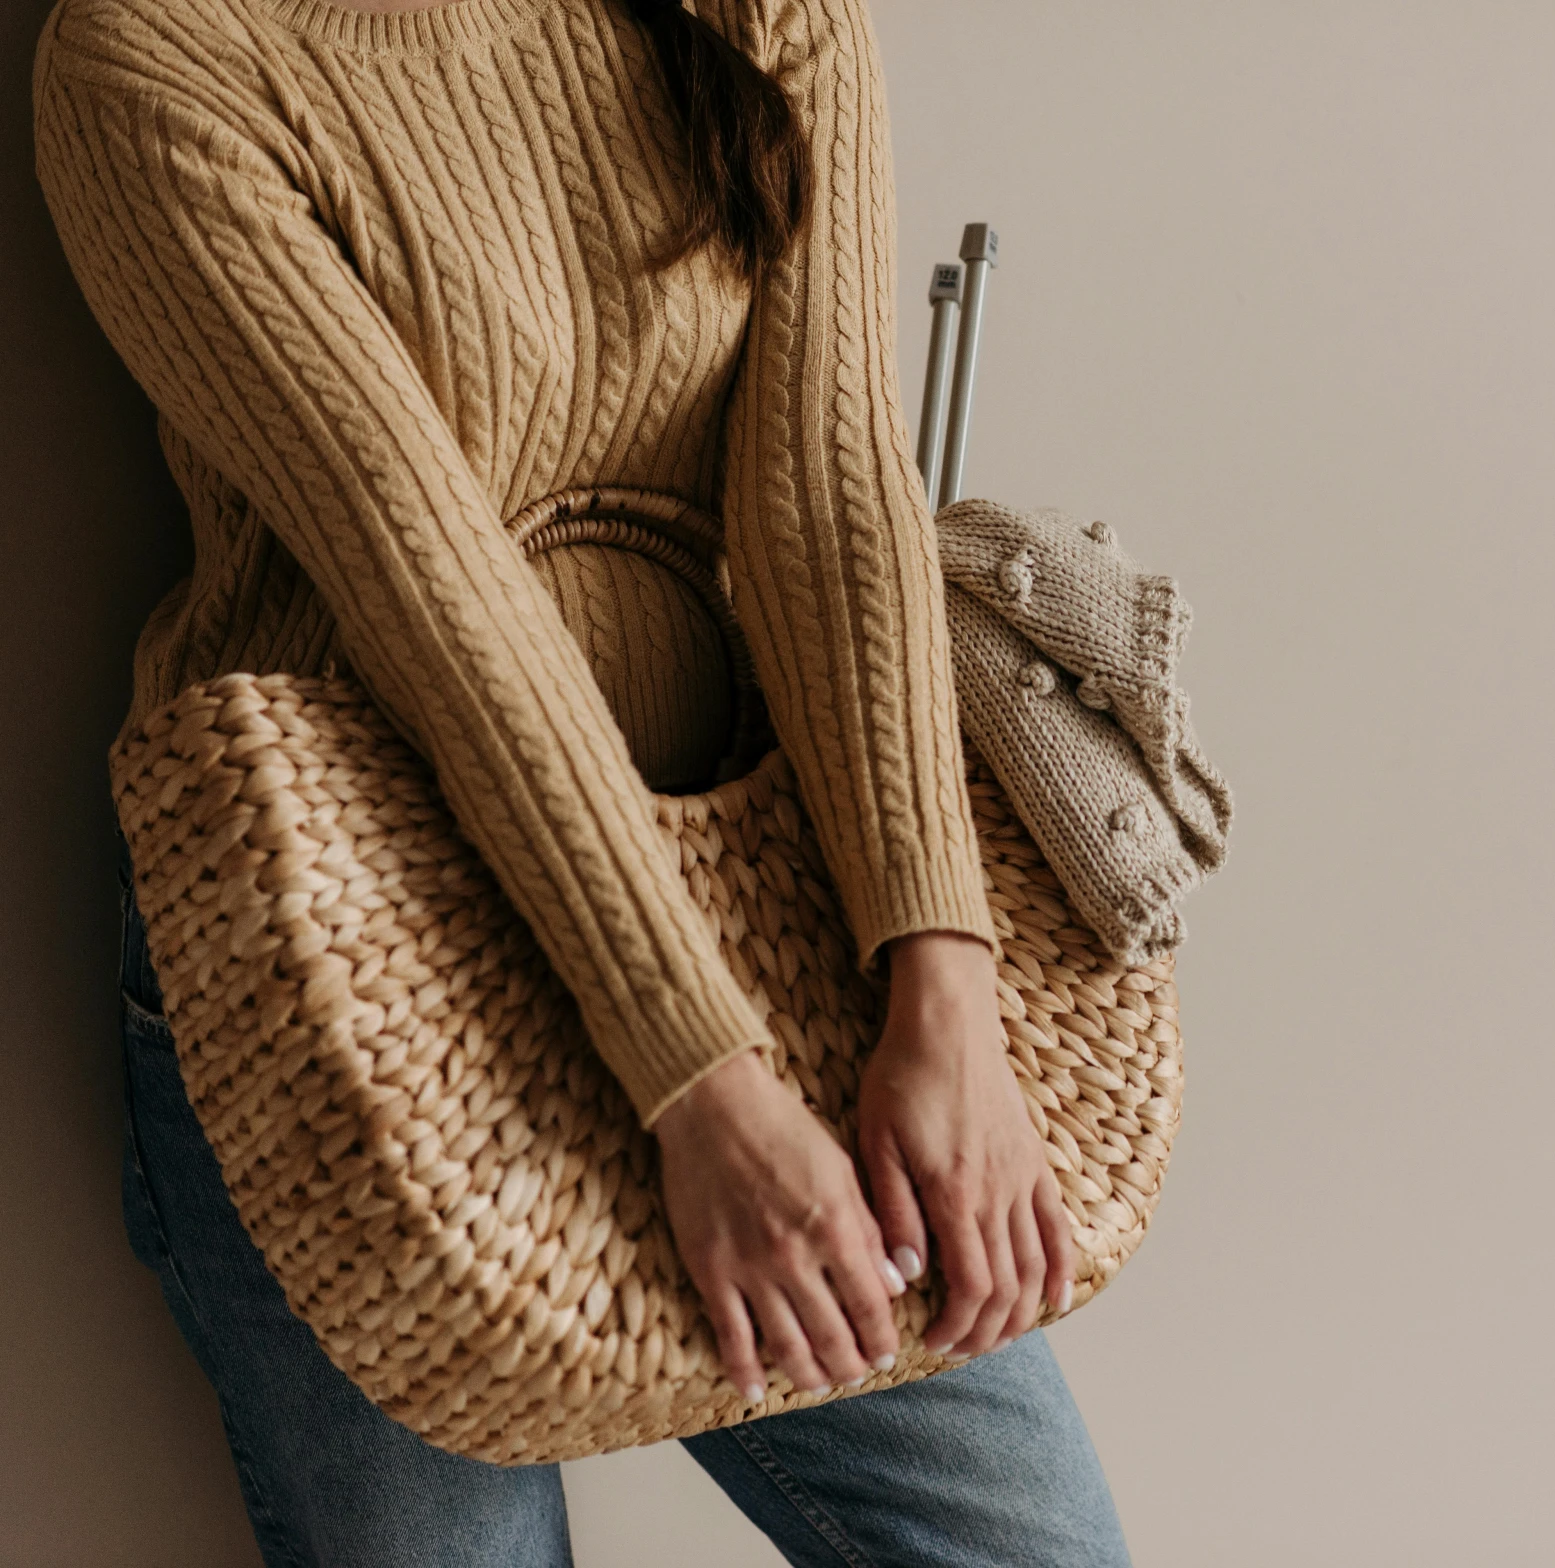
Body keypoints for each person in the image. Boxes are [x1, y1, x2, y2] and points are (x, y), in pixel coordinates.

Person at [33, 0, 1132, 1558]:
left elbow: (833, 500)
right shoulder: (162, 57)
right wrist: (701, 1083)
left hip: (753, 911)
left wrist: (942, 987)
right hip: (346, 967)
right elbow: (435, 592)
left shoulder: (756, 11)